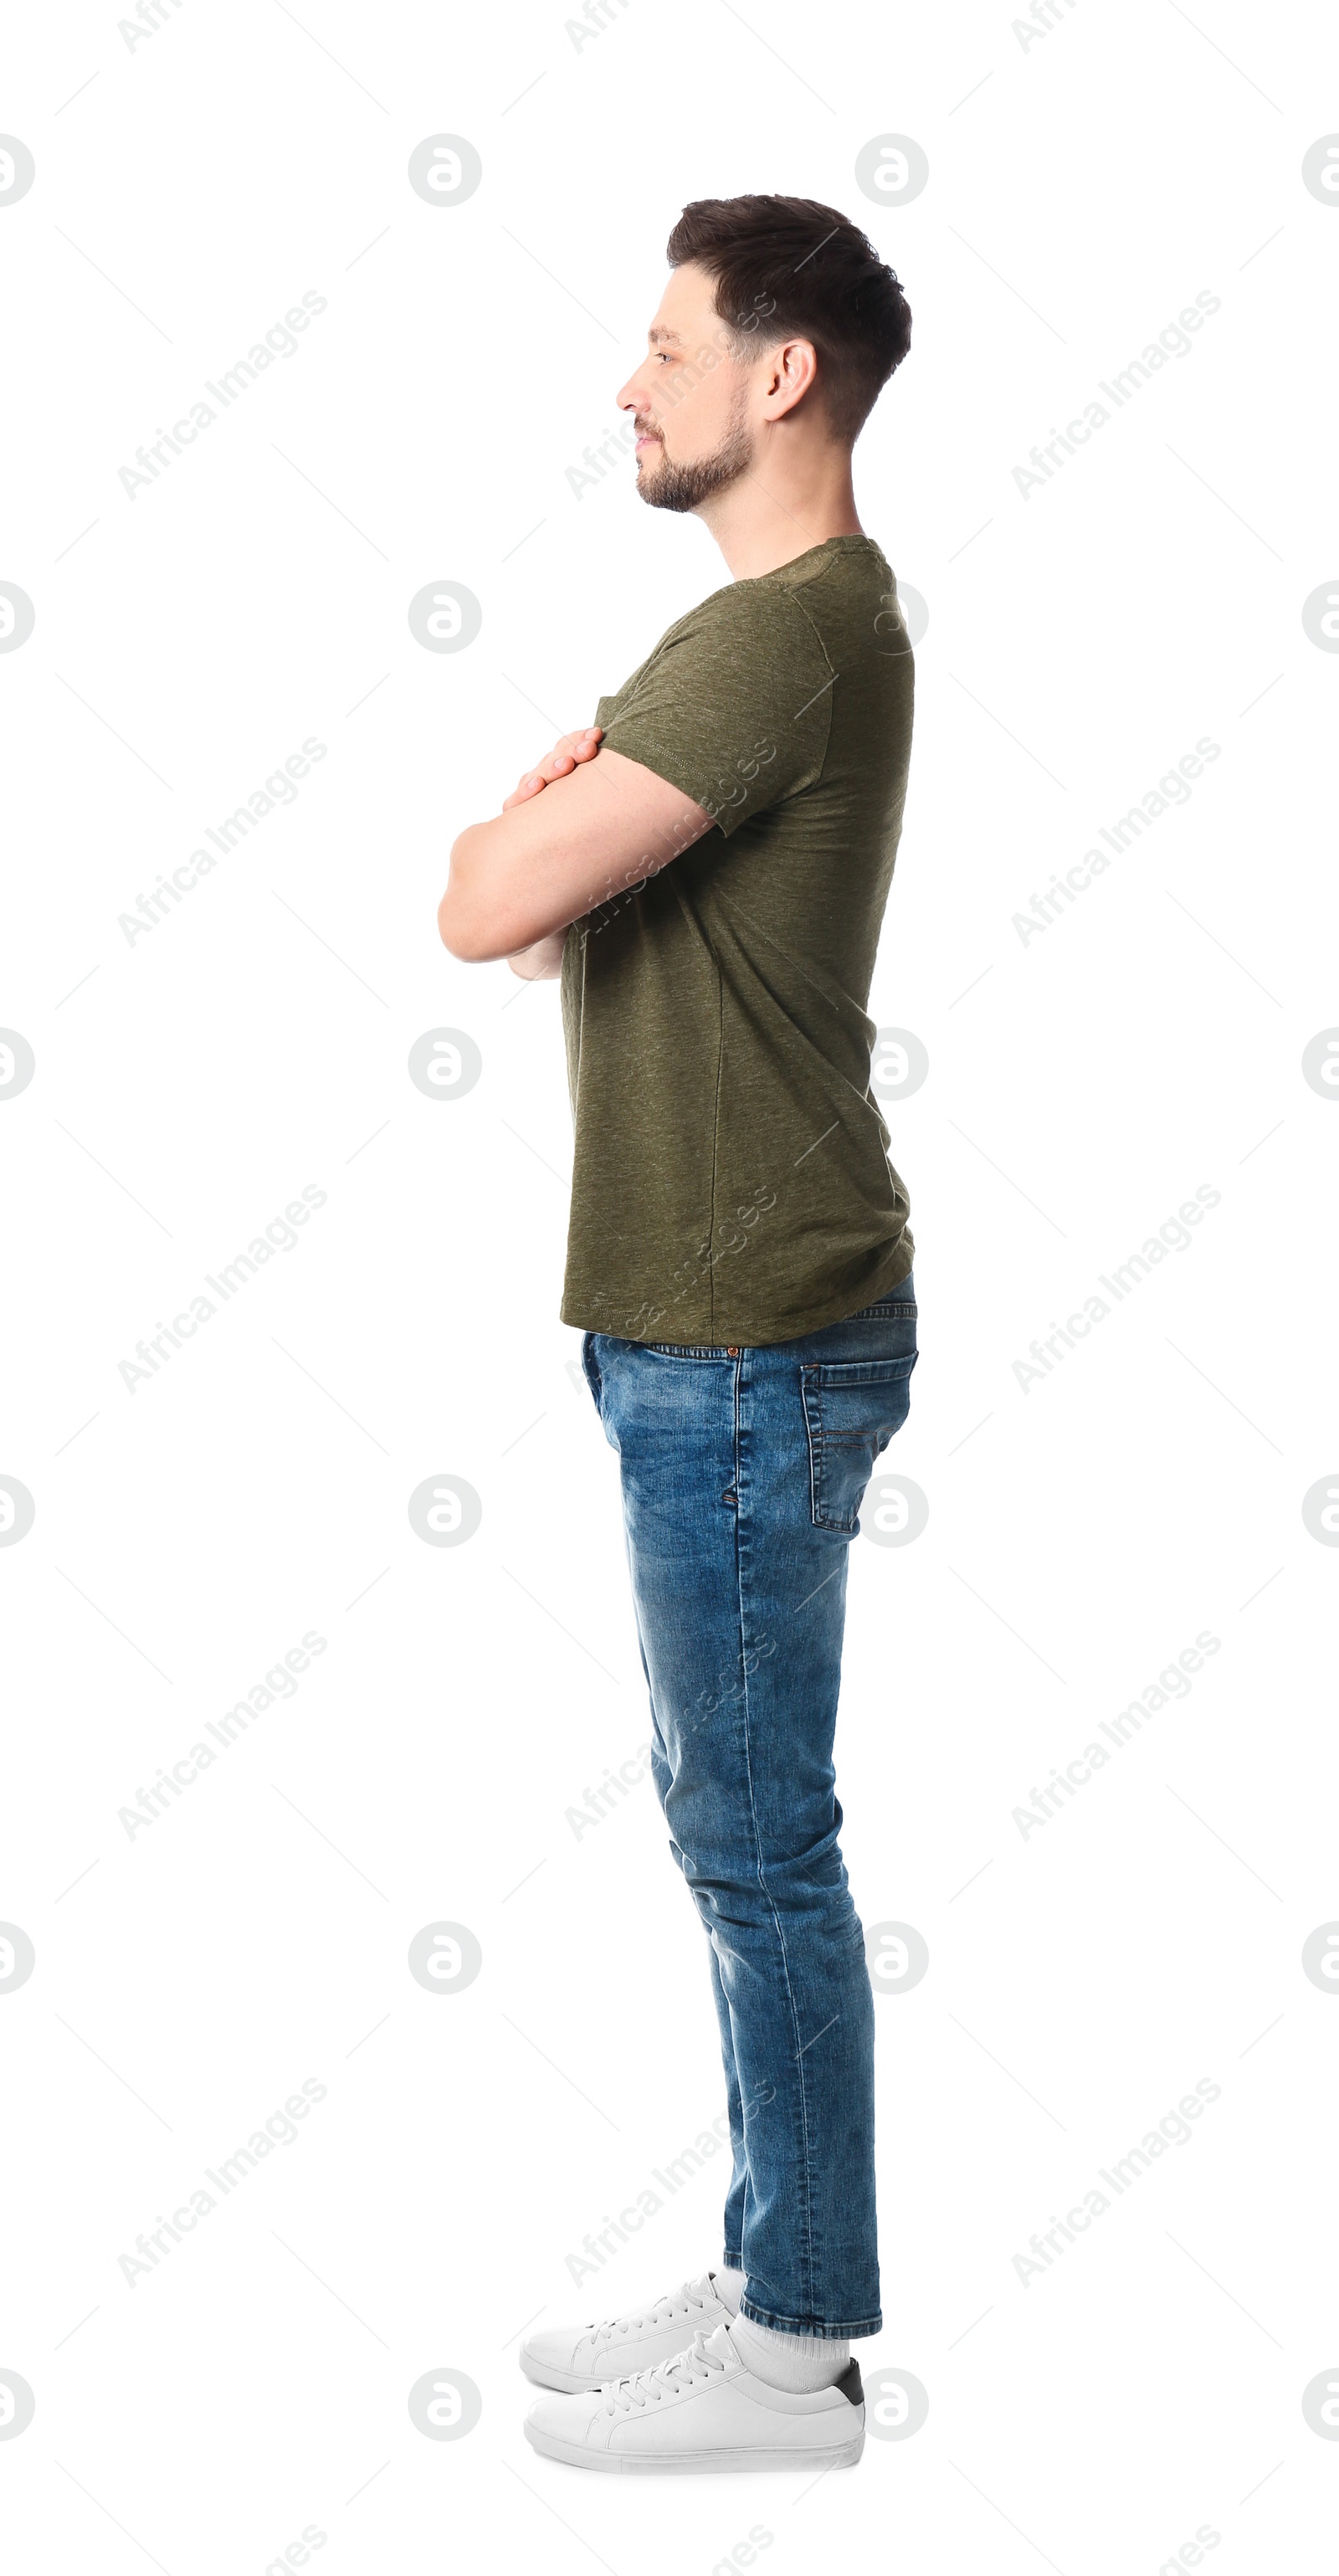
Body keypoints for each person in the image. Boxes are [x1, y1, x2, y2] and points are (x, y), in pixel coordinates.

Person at [439, 192, 916, 2474]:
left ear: (779, 376)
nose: (628, 385)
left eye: (663, 344)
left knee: (756, 1843)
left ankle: (801, 2338)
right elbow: (548, 940)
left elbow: (482, 906)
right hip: (711, 1315)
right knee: (729, 1818)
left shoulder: (768, 643)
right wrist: (544, 854)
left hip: (744, 1320)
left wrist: (535, 823)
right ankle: (768, 2264)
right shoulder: (772, 638)